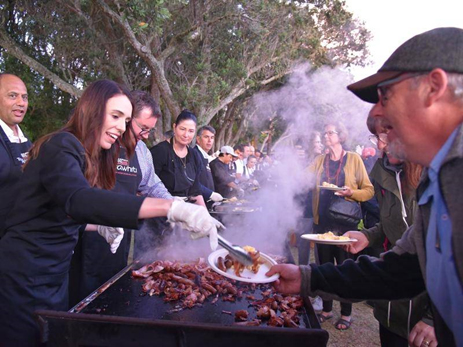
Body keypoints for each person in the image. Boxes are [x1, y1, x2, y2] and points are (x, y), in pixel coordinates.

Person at [267, 27, 463, 347]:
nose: (374, 115)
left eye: (386, 96)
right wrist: (307, 277)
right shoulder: (436, 179)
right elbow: (400, 270)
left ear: (434, 88)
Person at [0, 80, 220, 345]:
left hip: (54, 278)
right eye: (115, 116)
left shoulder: (91, 154)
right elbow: (77, 200)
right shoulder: (60, 145)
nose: (120, 126)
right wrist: (170, 207)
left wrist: (96, 226)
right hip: (22, 278)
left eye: (126, 120)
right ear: (92, 109)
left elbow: (57, 213)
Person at [69, 90, 173, 306]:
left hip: (120, 237)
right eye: (142, 128)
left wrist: (174, 206)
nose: (146, 135)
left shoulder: (142, 152)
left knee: (111, 294)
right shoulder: (93, 144)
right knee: (82, 299)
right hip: (85, 236)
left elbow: (152, 185)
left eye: (150, 130)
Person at [345, 112, 433, 347]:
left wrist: (434, 318)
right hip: (394, 302)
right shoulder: (383, 171)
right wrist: (368, 235)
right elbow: (390, 222)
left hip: (432, 304)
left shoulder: (438, 172)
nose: (382, 145)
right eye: (376, 137)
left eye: (387, 136)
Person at [308, 121, 374, 330]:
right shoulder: (320, 160)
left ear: (340, 136)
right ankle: (327, 310)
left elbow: (368, 190)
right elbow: (303, 177)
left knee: (345, 268)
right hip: (323, 223)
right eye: (325, 133)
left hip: (346, 224)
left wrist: (351, 193)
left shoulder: (354, 159)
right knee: (325, 268)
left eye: (330, 133)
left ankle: (346, 313)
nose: (326, 136)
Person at [150, 110, 207, 205]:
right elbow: (149, 186)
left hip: (187, 208)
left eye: (191, 131)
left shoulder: (194, 155)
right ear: (174, 127)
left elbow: (196, 192)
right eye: (182, 129)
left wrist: (205, 217)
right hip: (162, 208)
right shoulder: (160, 151)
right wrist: (170, 200)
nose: (186, 135)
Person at [0, 73, 32, 235]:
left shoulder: (30, 145)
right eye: (12, 96)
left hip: (20, 242)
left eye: (24, 98)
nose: (21, 103)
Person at [194, 125, 223, 203]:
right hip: (197, 204)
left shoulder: (204, 156)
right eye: (206, 137)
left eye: (212, 137)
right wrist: (210, 194)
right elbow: (192, 182)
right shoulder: (194, 155)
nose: (210, 140)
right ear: (198, 139)